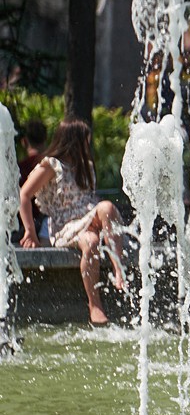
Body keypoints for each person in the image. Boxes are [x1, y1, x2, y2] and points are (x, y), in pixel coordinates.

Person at [17, 118, 125, 326]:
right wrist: (29, 231)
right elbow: (24, 195)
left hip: (88, 219)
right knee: (95, 234)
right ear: (73, 140)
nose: (88, 144)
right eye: (85, 140)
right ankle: (95, 305)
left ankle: (118, 270)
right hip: (65, 225)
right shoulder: (51, 165)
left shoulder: (86, 166)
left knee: (102, 218)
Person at [14, 117, 47, 242]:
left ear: (24, 141)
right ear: (45, 137)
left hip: (25, 227)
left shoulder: (19, 169)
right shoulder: (55, 166)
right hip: (48, 224)